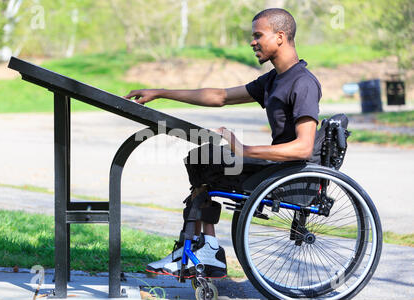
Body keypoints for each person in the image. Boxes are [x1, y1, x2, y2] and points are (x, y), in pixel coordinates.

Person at [124, 8, 321, 279]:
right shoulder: (275, 79)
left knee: (209, 160)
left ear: (280, 36)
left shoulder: (303, 83)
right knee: (203, 158)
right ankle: (202, 248)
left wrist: (244, 150)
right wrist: (160, 92)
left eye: (257, 35)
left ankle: (208, 251)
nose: (252, 42)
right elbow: (220, 96)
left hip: (288, 171)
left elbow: (303, 147)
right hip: (276, 166)